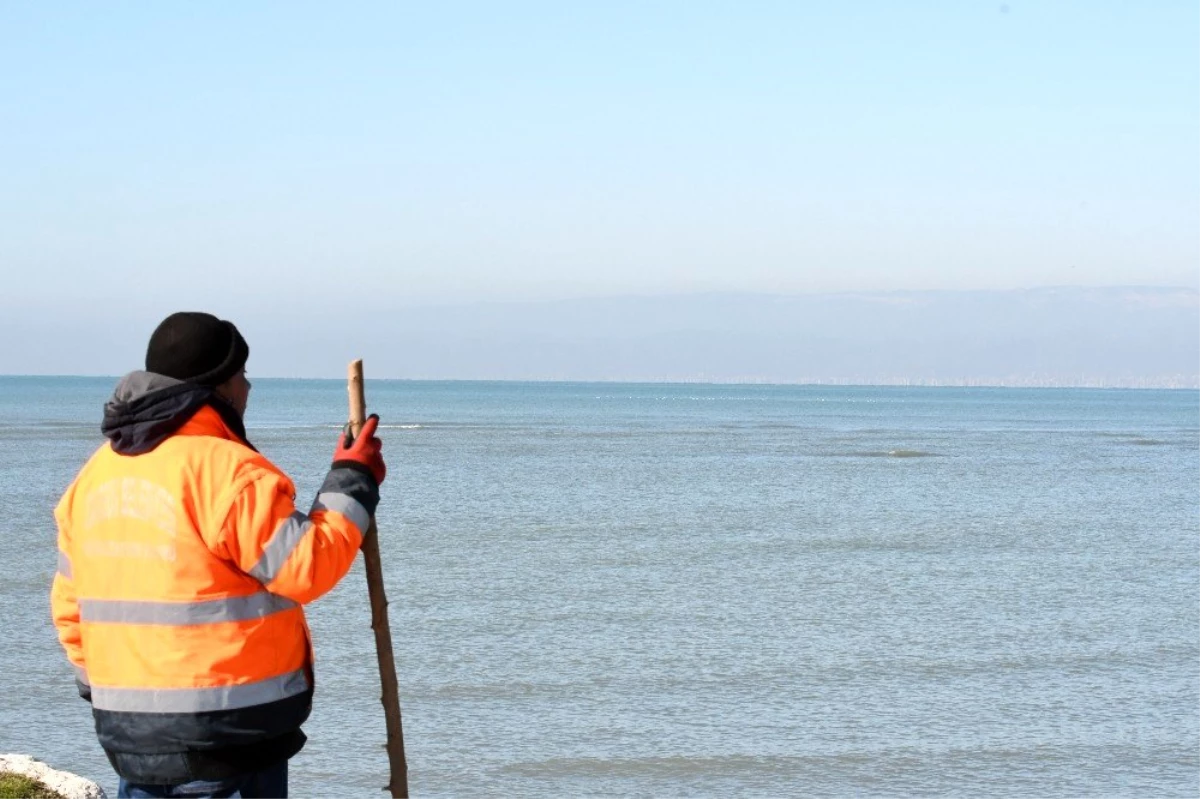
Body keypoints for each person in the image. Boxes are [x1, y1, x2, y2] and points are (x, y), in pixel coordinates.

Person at [50, 311, 386, 799]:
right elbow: (306, 567)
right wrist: (353, 478)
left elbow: (70, 611)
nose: (248, 389)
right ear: (219, 386)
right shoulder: (228, 473)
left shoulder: (94, 478)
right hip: (224, 740)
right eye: (242, 376)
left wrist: (118, 697)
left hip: (133, 741)